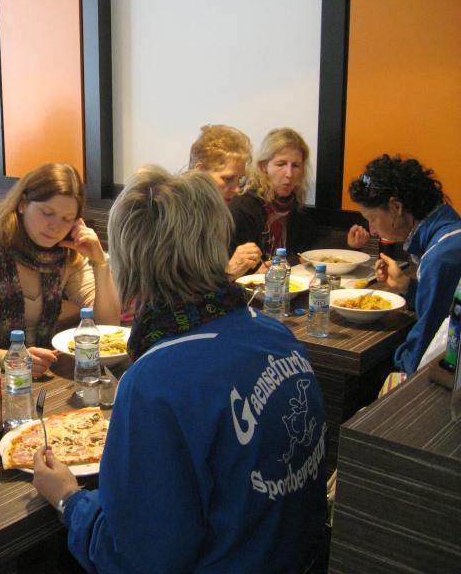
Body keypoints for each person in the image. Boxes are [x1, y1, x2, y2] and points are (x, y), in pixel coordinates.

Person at [33, 167, 327, 572]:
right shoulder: (276, 334)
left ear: (131, 262)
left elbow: (137, 559)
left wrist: (69, 499)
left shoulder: (155, 382)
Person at [0, 163, 119, 376]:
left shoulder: (67, 255)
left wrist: (100, 262)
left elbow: (108, 325)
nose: (55, 226)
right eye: (47, 213)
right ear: (22, 204)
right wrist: (13, 359)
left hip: (48, 374)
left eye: (67, 219)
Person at [348, 154, 461, 376]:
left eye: (372, 218)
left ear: (396, 207)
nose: (372, 230)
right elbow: (445, 305)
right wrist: (407, 287)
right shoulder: (451, 231)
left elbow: (425, 345)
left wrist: (396, 365)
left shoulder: (440, 256)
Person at [229, 127, 318, 266]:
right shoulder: (245, 206)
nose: (289, 174)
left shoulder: (293, 203)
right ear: (263, 166)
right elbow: (237, 264)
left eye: (296, 166)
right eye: (281, 164)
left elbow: (306, 250)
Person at [188, 124, 262, 278]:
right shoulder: (175, 218)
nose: (237, 189)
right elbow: (179, 289)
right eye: (227, 179)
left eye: (239, 180)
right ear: (199, 172)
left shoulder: (215, 213)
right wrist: (230, 272)